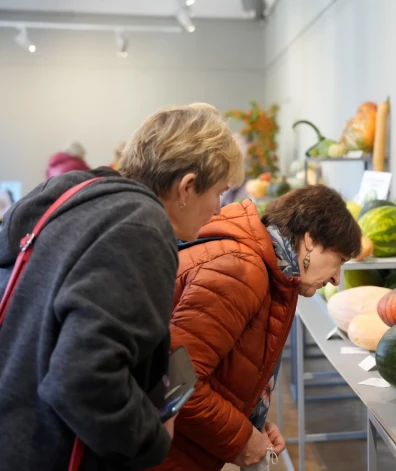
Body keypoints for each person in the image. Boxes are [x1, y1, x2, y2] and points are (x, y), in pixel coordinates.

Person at [0, 103, 243, 471]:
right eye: (220, 192)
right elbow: (81, 379)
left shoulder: (74, 192)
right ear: (187, 186)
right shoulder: (141, 230)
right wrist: (151, 437)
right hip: (55, 452)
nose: (218, 207)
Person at [154, 184, 362, 471]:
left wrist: (251, 418)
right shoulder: (240, 270)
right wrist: (241, 439)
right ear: (311, 240)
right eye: (339, 261)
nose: (337, 278)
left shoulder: (263, 267)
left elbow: (215, 367)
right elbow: (175, 384)